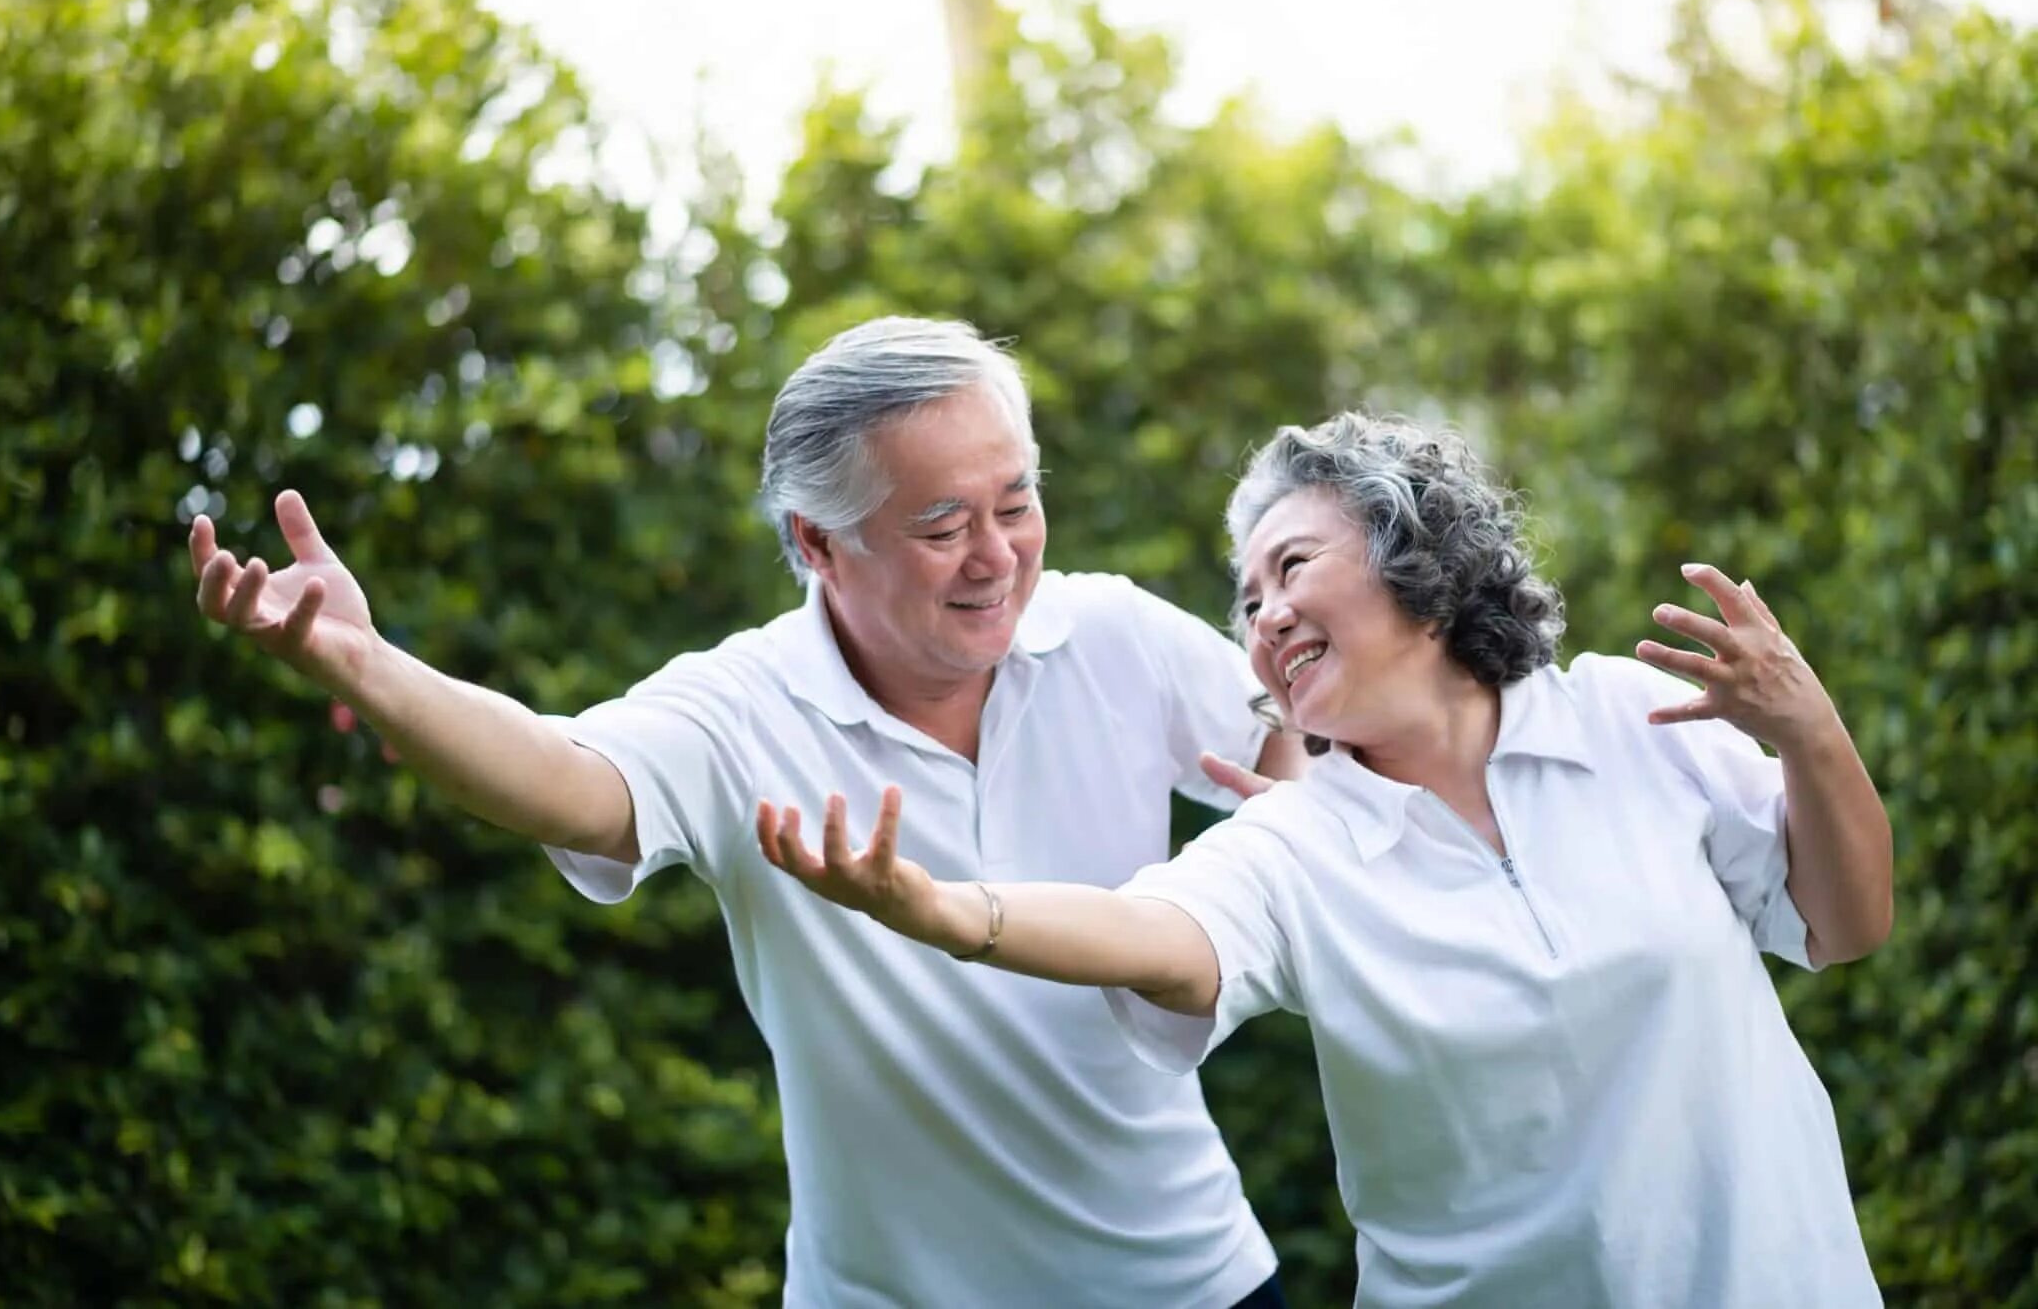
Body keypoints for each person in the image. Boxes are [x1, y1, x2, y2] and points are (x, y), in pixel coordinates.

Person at [189, 317, 1304, 1308]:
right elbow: (570, 781)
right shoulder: (740, 709)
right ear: (817, 542)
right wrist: (369, 665)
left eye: (1017, 502)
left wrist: (1294, 809)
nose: (997, 554)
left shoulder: (1108, 634)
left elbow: (1288, 727)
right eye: (940, 525)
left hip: (1189, 1276)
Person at [757, 411, 1895, 1308]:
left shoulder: (1628, 716)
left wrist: (1807, 728)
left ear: (1414, 558)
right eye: (1246, 600)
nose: (1263, 616)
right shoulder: (1298, 840)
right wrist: (959, 912)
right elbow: (1162, 938)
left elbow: (1843, 925)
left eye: (1290, 566)